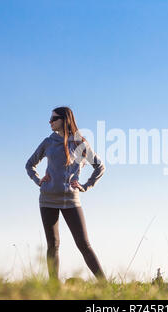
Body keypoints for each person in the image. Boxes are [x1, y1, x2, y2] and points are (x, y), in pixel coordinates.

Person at [25, 106, 107, 282]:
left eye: (54, 118)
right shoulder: (48, 142)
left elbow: (100, 166)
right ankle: (54, 288)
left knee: (84, 244)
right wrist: (38, 180)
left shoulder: (79, 143)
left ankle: (105, 285)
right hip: (47, 199)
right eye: (51, 118)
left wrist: (86, 186)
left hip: (71, 200)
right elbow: (29, 164)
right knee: (53, 245)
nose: (50, 121)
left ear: (64, 120)